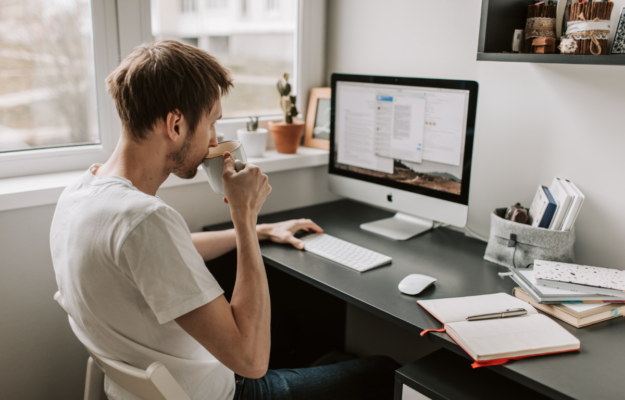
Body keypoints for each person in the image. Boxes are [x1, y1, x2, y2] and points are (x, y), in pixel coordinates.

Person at [50, 40, 399, 400]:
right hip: (226, 392)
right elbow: (251, 361)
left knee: (286, 324)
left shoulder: (81, 191)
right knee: (385, 371)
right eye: (212, 122)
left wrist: (263, 231)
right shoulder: (146, 220)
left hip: (134, 387)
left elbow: (158, 252)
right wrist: (245, 216)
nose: (215, 139)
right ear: (175, 124)